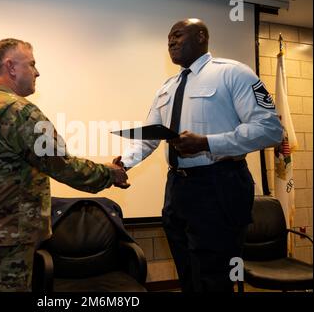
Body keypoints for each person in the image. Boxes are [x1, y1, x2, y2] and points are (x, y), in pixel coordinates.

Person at [115, 19, 283, 292]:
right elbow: (151, 136)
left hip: (220, 185)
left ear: (202, 36)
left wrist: (207, 143)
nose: (170, 42)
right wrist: (125, 162)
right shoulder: (167, 87)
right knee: (188, 275)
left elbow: (270, 130)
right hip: (178, 189)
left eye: (178, 35)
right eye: (168, 38)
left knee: (214, 278)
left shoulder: (233, 73)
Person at [0, 38, 129, 292]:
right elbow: (63, 165)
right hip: (6, 240)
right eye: (32, 64)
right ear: (11, 67)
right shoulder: (19, 112)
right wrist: (109, 174)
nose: (37, 72)